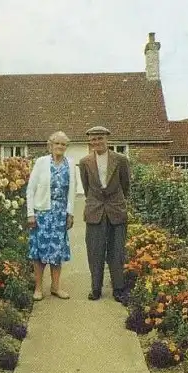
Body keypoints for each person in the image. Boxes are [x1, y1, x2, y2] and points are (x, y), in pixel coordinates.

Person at [78, 126, 130, 303]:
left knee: (117, 251)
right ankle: (96, 288)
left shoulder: (121, 160)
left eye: (100, 138)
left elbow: (126, 185)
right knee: (95, 250)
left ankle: (118, 288)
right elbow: (86, 188)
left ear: (107, 139)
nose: (97, 142)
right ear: (89, 142)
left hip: (116, 210)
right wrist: (95, 203)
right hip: (95, 211)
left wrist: (117, 202)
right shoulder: (84, 162)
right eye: (93, 139)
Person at [26, 131, 76, 301]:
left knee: (57, 252)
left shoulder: (70, 163)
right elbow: (30, 189)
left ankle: (55, 287)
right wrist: (30, 214)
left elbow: (72, 190)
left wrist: (70, 213)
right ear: (50, 145)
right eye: (57, 143)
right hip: (42, 213)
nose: (60, 147)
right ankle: (38, 288)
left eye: (63, 144)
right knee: (39, 252)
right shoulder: (41, 162)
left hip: (60, 214)